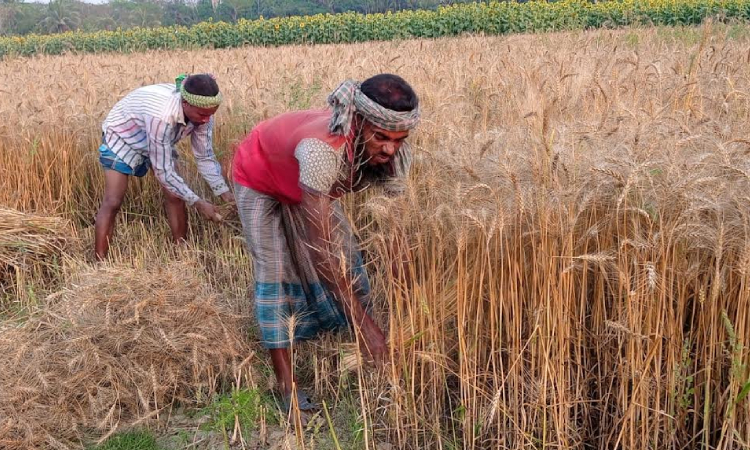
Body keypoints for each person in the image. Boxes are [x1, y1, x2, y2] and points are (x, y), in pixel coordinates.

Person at [232, 73, 420, 421]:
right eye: (381, 138)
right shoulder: (321, 153)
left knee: (348, 254)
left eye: (399, 139)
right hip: (259, 174)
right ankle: (286, 386)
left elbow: (396, 228)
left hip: (311, 184)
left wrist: (410, 293)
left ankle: (337, 333)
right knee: (275, 269)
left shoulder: (392, 151)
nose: (390, 149)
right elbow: (321, 253)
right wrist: (367, 326)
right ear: (358, 122)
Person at [94, 74, 234, 260]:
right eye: (202, 115)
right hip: (123, 138)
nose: (207, 120)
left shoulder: (203, 114)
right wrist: (199, 203)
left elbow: (205, 156)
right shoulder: (162, 115)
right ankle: (99, 261)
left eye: (211, 115)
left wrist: (224, 193)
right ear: (185, 103)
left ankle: (182, 252)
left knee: (175, 195)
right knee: (113, 200)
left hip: (158, 141)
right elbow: (164, 172)